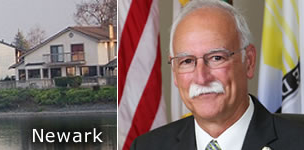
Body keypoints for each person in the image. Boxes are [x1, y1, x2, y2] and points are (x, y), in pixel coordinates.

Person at [130, 0, 304, 150]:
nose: (201, 78)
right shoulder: (147, 146)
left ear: (249, 61)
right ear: (175, 72)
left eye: (216, 58)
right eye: (187, 61)